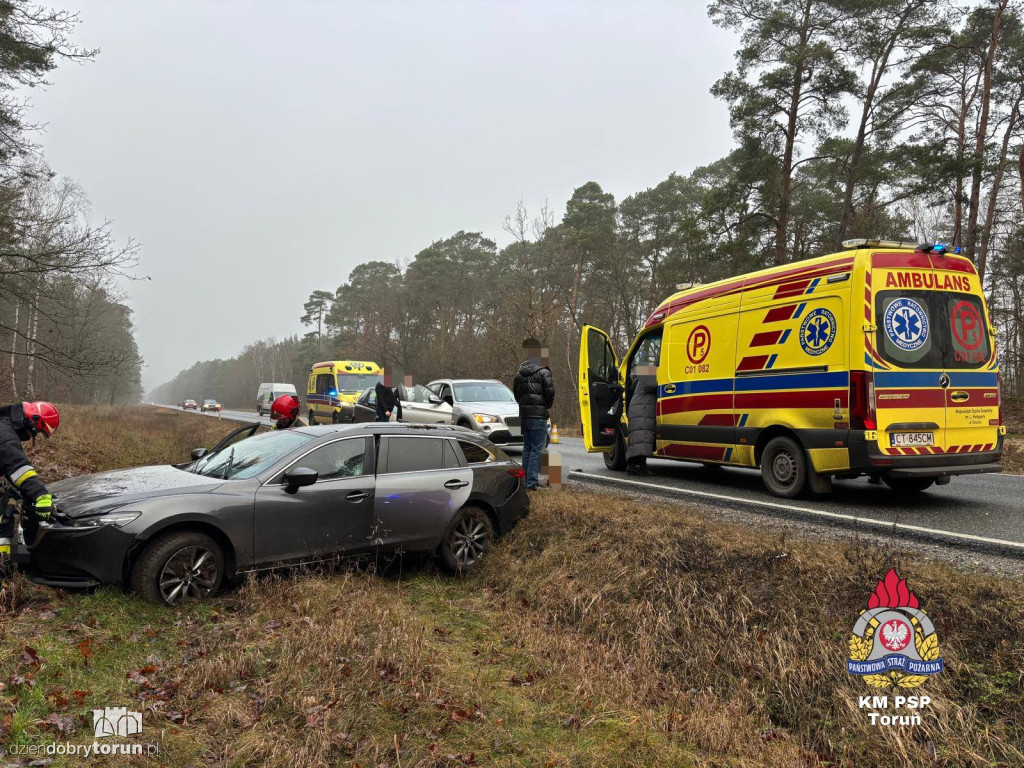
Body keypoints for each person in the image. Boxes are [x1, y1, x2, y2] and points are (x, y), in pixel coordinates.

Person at [1, 401, 61, 593]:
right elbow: (19, 468)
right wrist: (40, 494)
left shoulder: (5, 424)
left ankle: (12, 565)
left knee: (6, 509)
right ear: (32, 421)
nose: (32, 437)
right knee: (3, 521)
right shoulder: (4, 432)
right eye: (36, 432)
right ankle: (4, 576)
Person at [512, 338, 555, 490]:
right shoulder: (544, 372)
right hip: (538, 416)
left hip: (524, 416)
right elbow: (550, 393)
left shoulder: (519, 374)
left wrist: (524, 407)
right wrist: (545, 407)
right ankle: (531, 483)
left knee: (527, 448)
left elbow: (516, 395)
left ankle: (524, 481)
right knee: (538, 449)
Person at [626, 367, 657, 476]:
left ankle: (638, 466)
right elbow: (660, 384)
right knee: (640, 439)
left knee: (639, 440)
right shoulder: (646, 381)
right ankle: (635, 467)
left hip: (640, 411)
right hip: (641, 412)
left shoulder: (640, 380)